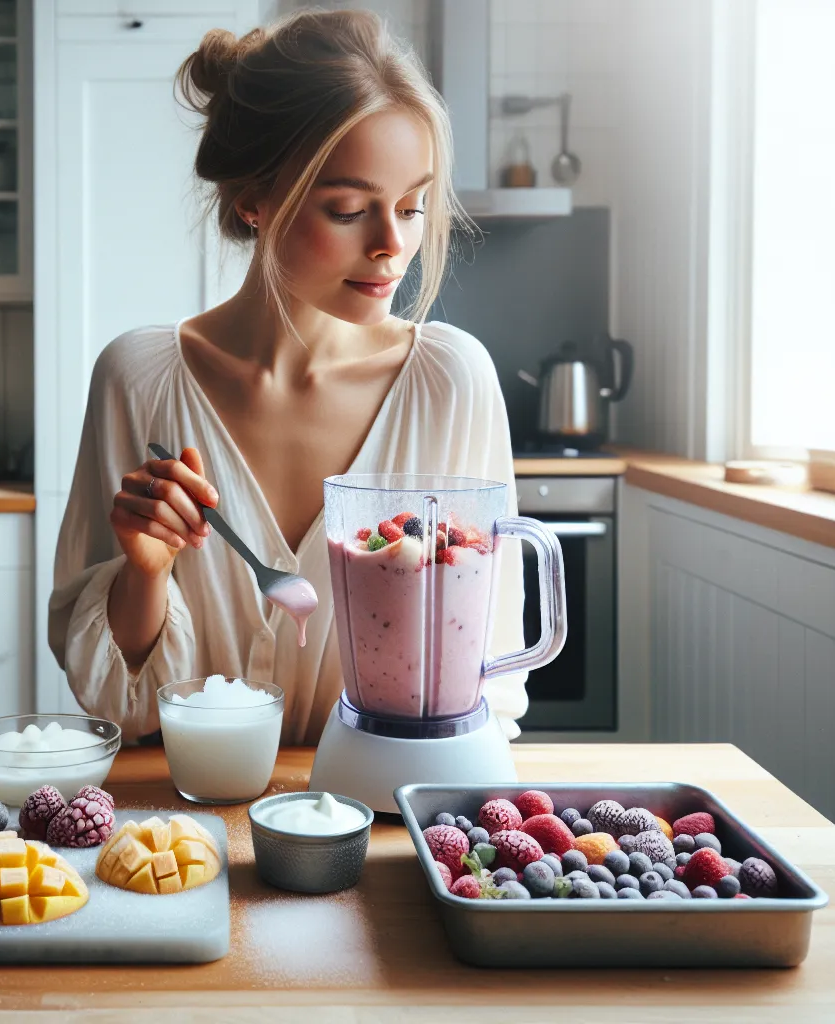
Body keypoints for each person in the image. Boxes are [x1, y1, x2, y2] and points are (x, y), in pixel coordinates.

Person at [49, 9, 527, 746]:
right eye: (348, 209)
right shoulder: (139, 381)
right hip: (189, 822)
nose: (392, 248)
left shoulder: (450, 382)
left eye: (412, 206)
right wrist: (143, 573)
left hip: (387, 815)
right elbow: (122, 710)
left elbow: (490, 678)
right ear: (254, 200)